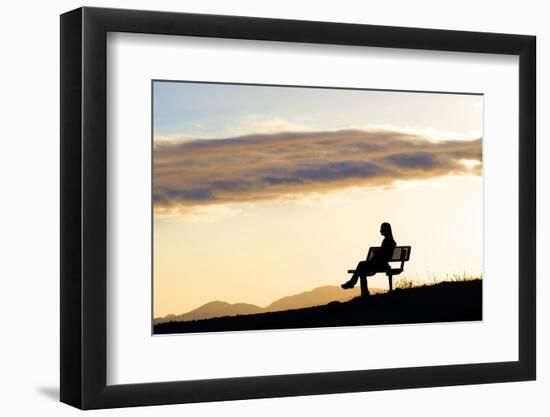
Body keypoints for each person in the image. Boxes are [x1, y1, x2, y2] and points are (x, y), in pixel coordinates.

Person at [341, 222, 396, 290]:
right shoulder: (391, 241)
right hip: (382, 264)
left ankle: (352, 283)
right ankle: (352, 283)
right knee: (361, 268)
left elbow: (382, 255)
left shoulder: (387, 241)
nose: (380, 231)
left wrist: (376, 253)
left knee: (361, 265)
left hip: (380, 265)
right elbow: (384, 255)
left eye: (381, 229)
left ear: (386, 230)